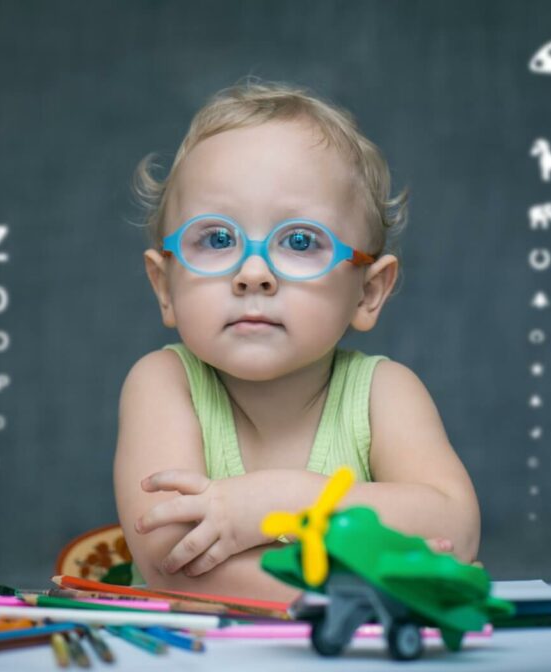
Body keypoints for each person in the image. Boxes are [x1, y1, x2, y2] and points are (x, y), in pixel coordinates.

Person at [113, 80, 479, 602]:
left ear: (368, 293)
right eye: (218, 239)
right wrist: (366, 578)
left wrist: (278, 502)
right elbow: (174, 562)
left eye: (301, 241)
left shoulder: (384, 394)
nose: (254, 272)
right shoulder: (163, 384)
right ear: (164, 287)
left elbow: (455, 529)